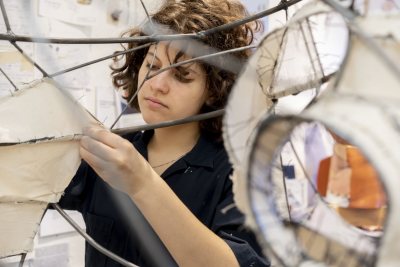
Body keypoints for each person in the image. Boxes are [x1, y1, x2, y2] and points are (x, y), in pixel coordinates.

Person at [59, 0, 269, 266]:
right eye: (152, 66)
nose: (157, 85)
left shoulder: (240, 173)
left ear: (215, 89)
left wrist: (143, 183)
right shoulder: (109, 151)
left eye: (182, 75)